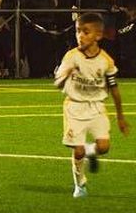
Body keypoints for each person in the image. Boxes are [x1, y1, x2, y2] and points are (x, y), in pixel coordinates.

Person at [53, 12, 129, 199]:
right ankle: (80, 185)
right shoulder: (71, 57)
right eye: (78, 31)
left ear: (98, 35)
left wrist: (120, 117)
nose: (80, 35)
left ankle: (90, 151)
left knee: (103, 147)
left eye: (86, 32)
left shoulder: (106, 61)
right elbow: (57, 84)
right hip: (75, 107)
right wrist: (66, 75)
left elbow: (115, 90)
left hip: (96, 107)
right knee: (77, 151)